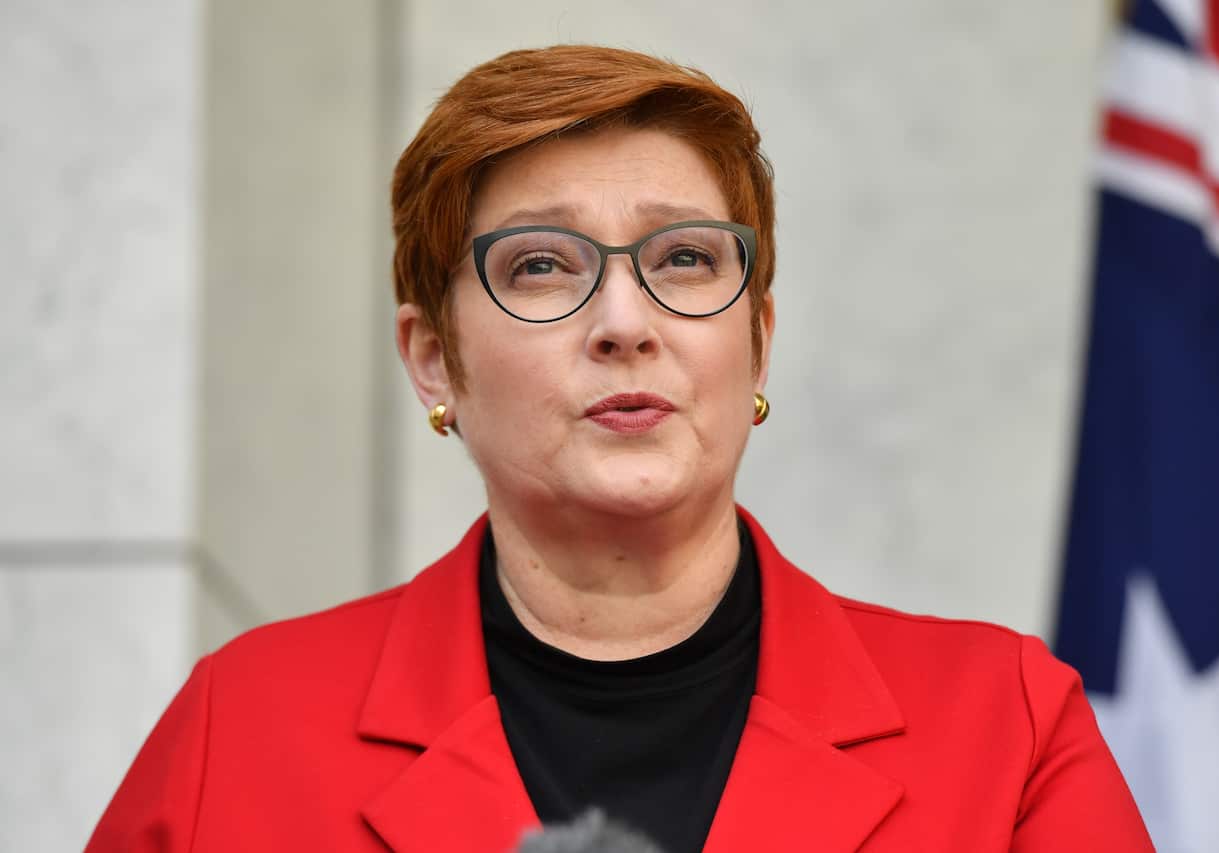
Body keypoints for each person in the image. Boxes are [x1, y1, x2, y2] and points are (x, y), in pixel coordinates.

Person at [87, 45, 1154, 852]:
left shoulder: (1002, 725)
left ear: (756, 341)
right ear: (433, 360)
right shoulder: (245, 729)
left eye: (684, 258)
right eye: (543, 265)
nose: (623, 321)